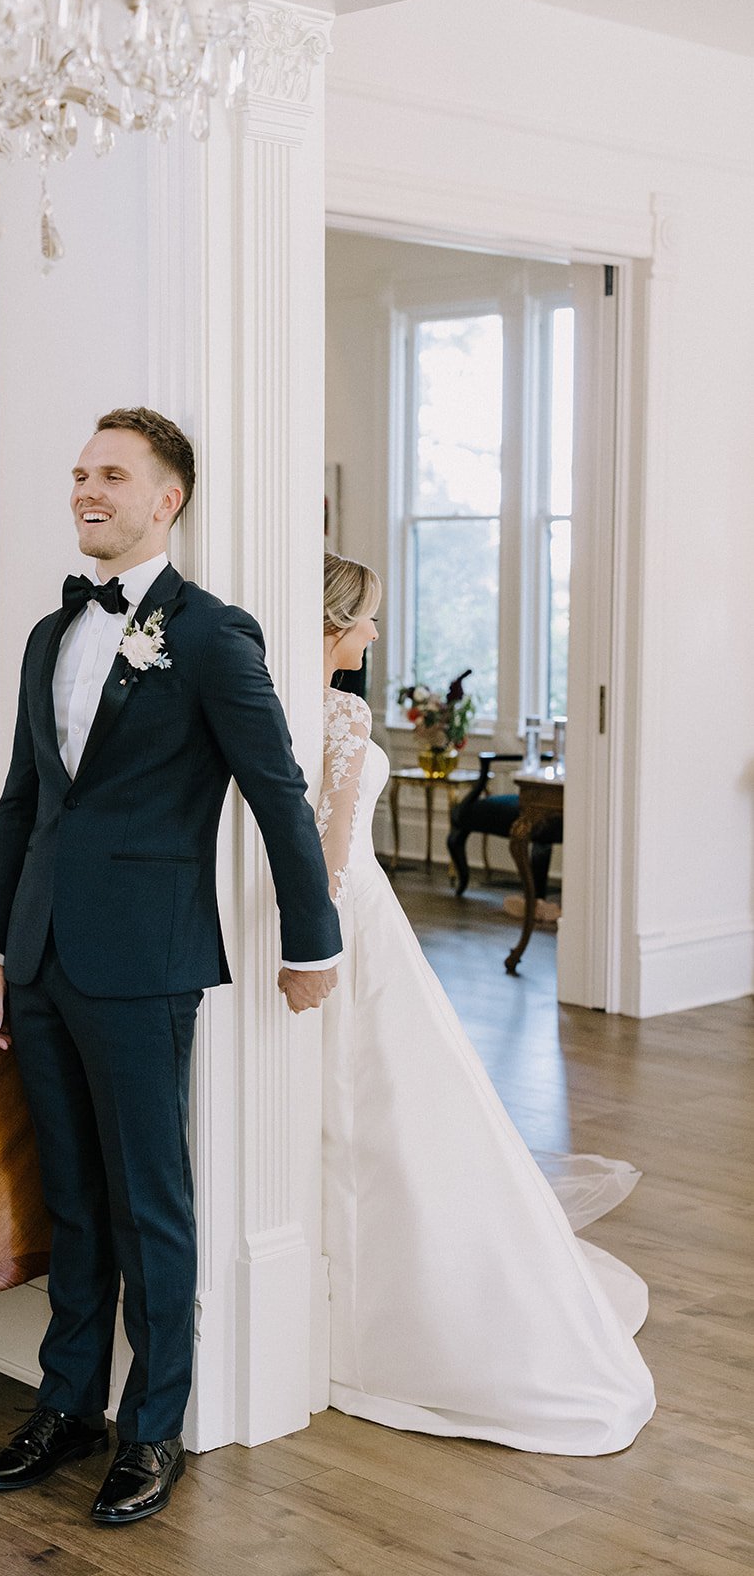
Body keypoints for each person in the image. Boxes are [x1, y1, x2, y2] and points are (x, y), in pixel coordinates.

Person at [0, 408, 341, 1524]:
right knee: (71, 1199)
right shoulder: (49, 633)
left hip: (143, 961)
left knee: (148, 1204)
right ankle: (65, 1404)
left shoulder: (213, 635)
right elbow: (23, 802)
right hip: (34, 957)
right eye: (80, 471)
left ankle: (151, 1425)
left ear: (164, 498)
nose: (87, 489)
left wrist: (308, 938)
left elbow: (277, 792)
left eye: (111, 475)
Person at [316, 551, 655, 1454]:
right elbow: (334, 853)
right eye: (367, 619)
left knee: (351, 1112)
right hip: (346, 922)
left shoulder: (260, 705)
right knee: (385, 1108)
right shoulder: (339, 712)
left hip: (314, 921)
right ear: (333, 624)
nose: (375, 635)